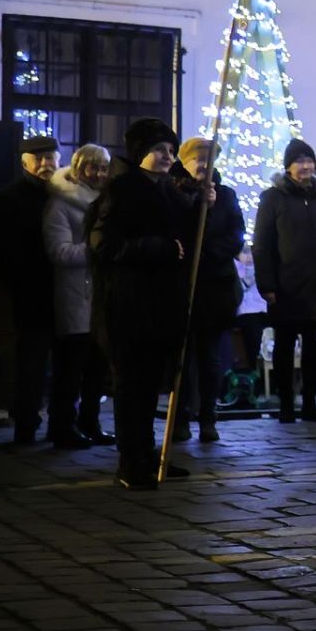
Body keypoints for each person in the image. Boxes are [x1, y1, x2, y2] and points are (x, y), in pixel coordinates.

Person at [87, 118, 194, 490]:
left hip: (158, 305)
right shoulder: (122, 190)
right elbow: (103, 243)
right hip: (128, 304)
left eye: (171, 150)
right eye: (159, 149)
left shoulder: (164, 188)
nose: (167, 156)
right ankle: (129, 461)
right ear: (140, 152)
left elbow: (186, 231)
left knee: (149, 386)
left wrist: (202, 203)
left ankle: (149, 455)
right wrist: (158, 249)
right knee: (131, 386)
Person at [254, 139, 316, 424]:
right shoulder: (273, 197)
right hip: (285, 286)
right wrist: (267, 285)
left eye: (309, 160)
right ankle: (286, 404)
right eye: (299, 161)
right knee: (284, 348)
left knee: (313, 348)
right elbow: (262, 243)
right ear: (288, 166)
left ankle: (310, 403)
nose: (306, 166)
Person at [41, 143, 114, 448]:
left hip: (101, 296)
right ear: (79, 168)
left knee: (97, 368)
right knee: (70, 368)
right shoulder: (60, 204)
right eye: (92, 167)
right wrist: (96, 250)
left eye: (104, 168)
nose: (98, 174)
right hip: (75, 295)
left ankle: (89, 421)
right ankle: (61, 426)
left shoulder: (107, 202)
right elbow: (58, 251)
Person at [172, 138, 244, 444]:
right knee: (182, 359)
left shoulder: (225, 195)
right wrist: (199, 207)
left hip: (215, 286)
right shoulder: (174, 192)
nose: (204, 165)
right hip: (183, 286)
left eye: (208, 159)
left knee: (210, 357)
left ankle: (208, 417)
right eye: (198, 160)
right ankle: (180, 418)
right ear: (185, 162)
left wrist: (210, 252)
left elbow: (235, 235)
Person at [0, 133, 61, 444]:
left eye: (50, 157)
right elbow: (3, 253)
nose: (46, 163)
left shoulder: (63, 194)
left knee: (63, 362)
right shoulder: (8, 200)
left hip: (62, 291)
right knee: (31, 362)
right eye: (39, 158)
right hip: (30, 293)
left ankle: (60, 422)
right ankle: (26, 424)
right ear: (25, 163)